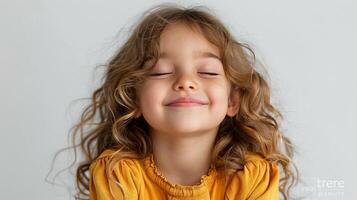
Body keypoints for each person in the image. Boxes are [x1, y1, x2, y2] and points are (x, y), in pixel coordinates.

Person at [71, 3, 299, 200]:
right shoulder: (116, 174)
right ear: (133, 98)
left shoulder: (254, 176)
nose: (186, 82)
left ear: (233, 100)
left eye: (208, 72)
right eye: (160, 72)